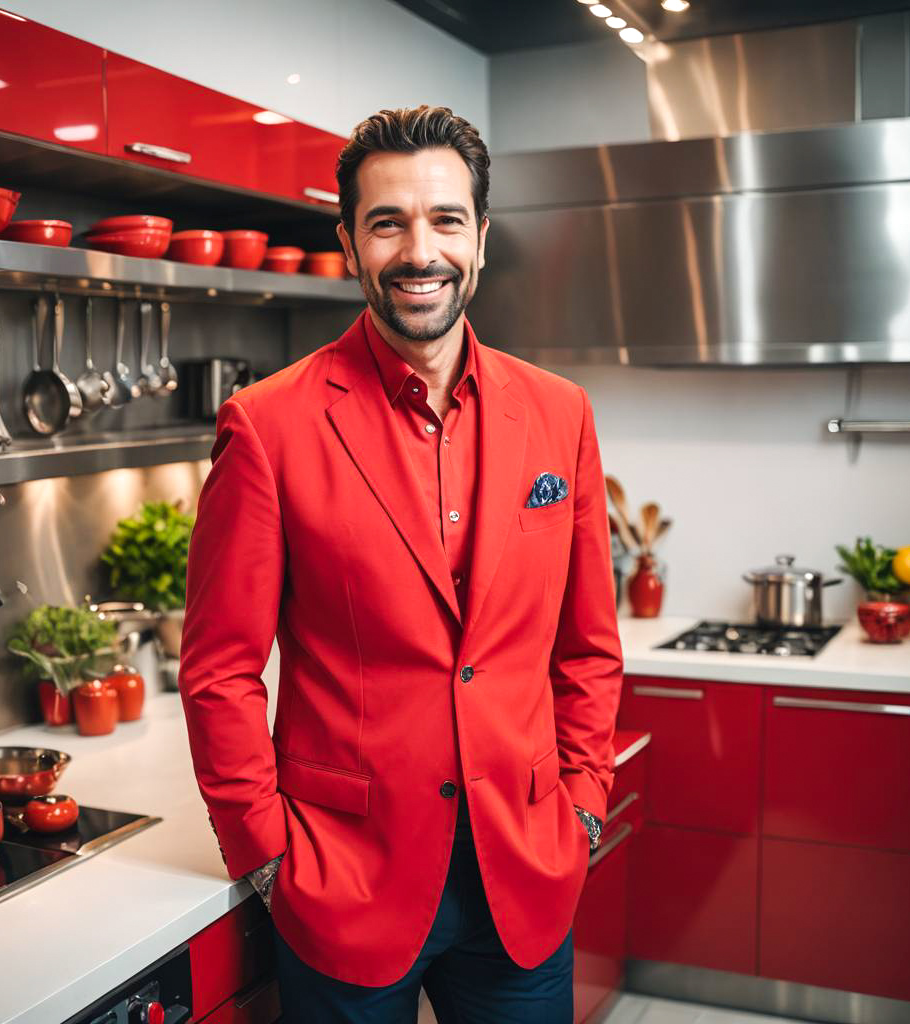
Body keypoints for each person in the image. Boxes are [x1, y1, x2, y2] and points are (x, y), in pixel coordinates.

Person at [177, 105, 623, 1023]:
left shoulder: (560, 414)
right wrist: (265, 853)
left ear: (483, 238)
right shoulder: (267, 426)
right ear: (350, 242)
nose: (421, 250)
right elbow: (219, 670)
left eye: (445, 220)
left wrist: (581, 804)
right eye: (388, 222)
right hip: (344, 882)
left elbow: (588, 646)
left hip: (524, 878)